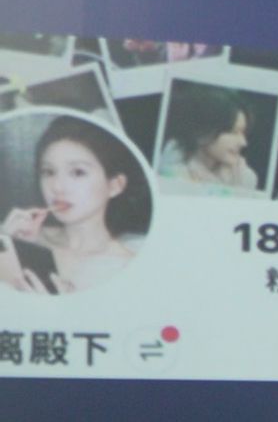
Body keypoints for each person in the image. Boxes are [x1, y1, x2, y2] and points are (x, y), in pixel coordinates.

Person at [1, 113, 148, 295]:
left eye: (78, 172)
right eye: (49, 172)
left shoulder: (128, 266)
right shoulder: (21, 237)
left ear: (115, 185)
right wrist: (8, 251)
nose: (57, 187)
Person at [157, 91, 261, 192]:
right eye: (233, 132)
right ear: (203, 132)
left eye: (243, 133)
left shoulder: (243, 176)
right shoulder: (174, 167)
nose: (243, 142)